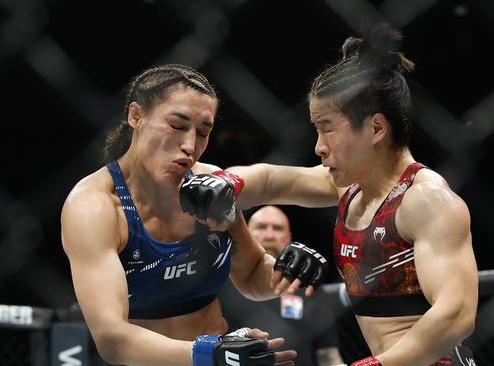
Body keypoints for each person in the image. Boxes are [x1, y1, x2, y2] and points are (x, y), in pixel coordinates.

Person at [180, 24, 479, 366]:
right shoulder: (349, 188)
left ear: (375, 128)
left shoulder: (425, 201)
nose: (319, 147)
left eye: (327, 128)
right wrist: (227, 182)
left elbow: (456, 315)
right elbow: (269, 180)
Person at [60, 64, 327, 366]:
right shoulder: (95, 207)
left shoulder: (209, 188)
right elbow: (112, 339)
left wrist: (286, 271)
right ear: (136, 116)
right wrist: (211, 353)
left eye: (203, 132)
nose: (190, 146)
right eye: (177, 126)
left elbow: (251, 273)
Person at [219, 205, 348, 365]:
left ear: (288, 238)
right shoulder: (221, 282)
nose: (270, 235)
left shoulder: (308, 288)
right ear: (246, 236)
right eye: (261, 227)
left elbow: (327, 354)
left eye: (278, 229)